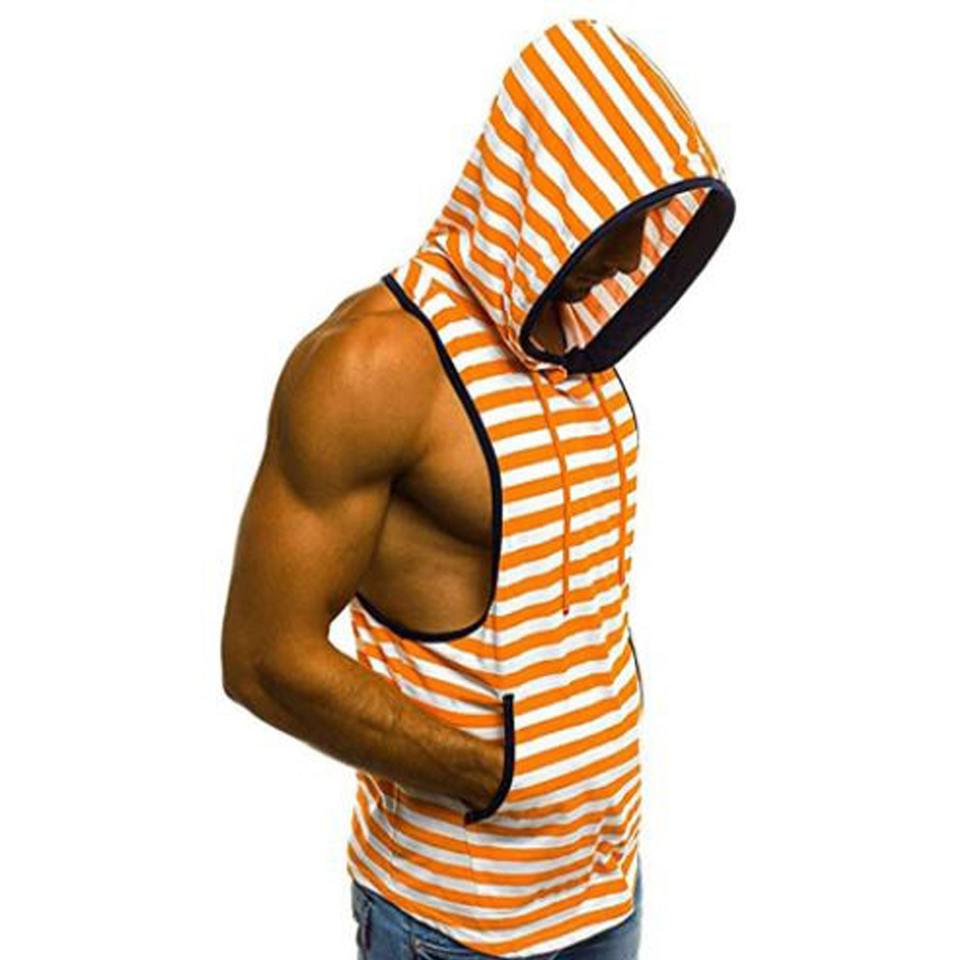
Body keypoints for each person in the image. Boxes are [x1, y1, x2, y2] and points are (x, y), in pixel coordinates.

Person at [221, 17, 735, 960]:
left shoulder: (572, 343)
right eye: (612, 222)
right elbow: (262, 659)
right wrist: (498, 776)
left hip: (604, 888)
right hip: (451, 925)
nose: (630, 260)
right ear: (541, 190)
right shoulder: (373, 367)